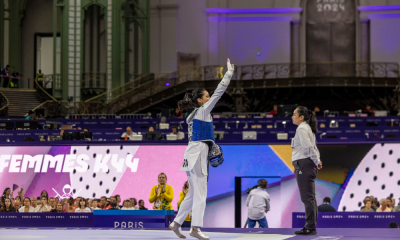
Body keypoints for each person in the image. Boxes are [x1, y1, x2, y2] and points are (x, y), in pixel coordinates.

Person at [169, 59, 234, 240]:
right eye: (206, 96)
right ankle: (195, 228)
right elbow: (219, 92)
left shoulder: (192, 115)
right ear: (200, 100)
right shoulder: (203, 111)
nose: (209, 98)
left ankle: (176, 223)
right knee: (201, 193)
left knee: (192, 193)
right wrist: (229, 73)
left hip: (191, 154)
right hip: (197, 154)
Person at [291, 106, 322, 236]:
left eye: (294, 114)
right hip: (306, 164)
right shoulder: (306, 128)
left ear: (301, 117)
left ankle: (310, 227)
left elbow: (309, 147)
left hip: (304, 164)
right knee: (310, 198)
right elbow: (313, 147)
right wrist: (317, 160)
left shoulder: (302, 128)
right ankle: (311, 226)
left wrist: (316, 161)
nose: (292, 117)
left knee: (307, 198)